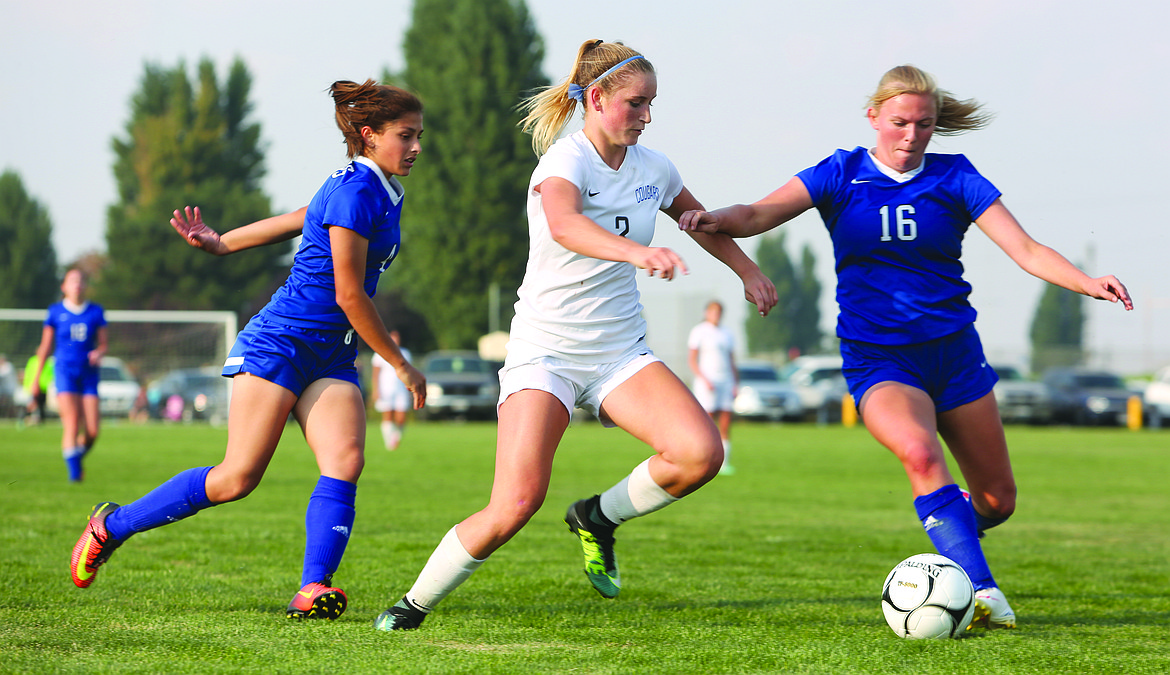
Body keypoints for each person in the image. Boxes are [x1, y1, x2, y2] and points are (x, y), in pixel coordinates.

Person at [679, 64, 1134, 630]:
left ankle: (953, 536)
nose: (910, 135)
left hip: (956, 357)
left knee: (997, 502)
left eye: (924, 125)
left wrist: (1085, 282)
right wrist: (715, 217)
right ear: (873, 116)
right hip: (880, 359)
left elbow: (1026, 249)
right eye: (899, 122)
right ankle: (984, 593)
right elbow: (755, 214)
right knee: (920, 455)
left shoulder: (957, 177)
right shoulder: (840, 173)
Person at [373, 39, 778, 631]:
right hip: (546, 354)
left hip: (619, 352)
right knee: (514, 504)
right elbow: (565, 226)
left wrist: (748, 270)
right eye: (636, 103)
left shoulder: (655, 169)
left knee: (700, 455)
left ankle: (597, 517)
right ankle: (412, 604)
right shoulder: (565, 161)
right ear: (596, 98)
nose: (646, 115)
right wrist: (639, 251)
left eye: (651, 104)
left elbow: (700, 222)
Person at [69, 79, 427, 621]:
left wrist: (223, 240)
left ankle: (314, 588)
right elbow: (349, 294)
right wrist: (399, 363)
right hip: (281, 342)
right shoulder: (357, 189)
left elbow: (297, 218)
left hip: (328, 354)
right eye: (407, 136)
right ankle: (110, 526)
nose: (417, 147)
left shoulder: (374, 186)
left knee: (345, 460)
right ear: (369, 135)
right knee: (236, 478)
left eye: (419, 135)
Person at [30, 268, 107, 482]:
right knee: (72, 423)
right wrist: (36, 380)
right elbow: (45, 348)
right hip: (65, 372)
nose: (77, 284)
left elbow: (103, 344)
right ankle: (75, 476)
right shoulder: (55, 312)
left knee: (92, 431)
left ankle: (74, 457)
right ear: (64, 286)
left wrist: (99, 352)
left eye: (81, 280)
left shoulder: (95, 311)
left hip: (89, 373)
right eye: (73, 280)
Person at [687, 300, 738, 475]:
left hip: (726, 381)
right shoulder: (699, 331)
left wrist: (735, 382)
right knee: (706, 423)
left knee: (725, 422)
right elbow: (692, 359)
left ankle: (725, 463)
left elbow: (732, 360)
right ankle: (703, 460)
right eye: (713, 311)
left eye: (719, 312)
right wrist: (704, 379)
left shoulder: (727, 333)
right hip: (707, 382)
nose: (716, 315)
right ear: (707, 312)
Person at [370, 330, 412, 450]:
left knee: (401, 416)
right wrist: (375, 389)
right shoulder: (379, 353)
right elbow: (375, 373)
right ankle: (389, 443)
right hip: (386, 388)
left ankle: (396, 437)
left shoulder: (405, 353)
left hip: (401, 388)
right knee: (387, 415)